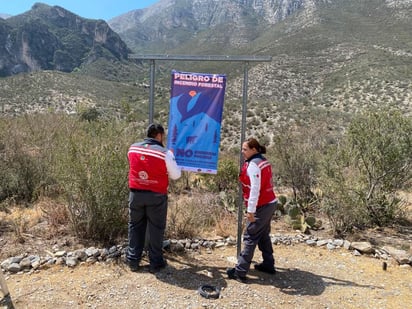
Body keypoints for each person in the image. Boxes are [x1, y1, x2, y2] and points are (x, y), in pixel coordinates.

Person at [126, 123, 181, 273]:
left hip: (135, 194)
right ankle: (155, 262)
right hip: (156, 195)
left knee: (135, 226)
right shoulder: (165, 153)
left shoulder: (132, 148)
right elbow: (176, 175)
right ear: (159, 135)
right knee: (156, 229)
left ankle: (132, 260)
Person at [227, 137, 278, 283]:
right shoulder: (263, 161)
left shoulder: (254, 165)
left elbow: (255, 189)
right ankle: (268, 264)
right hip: (270, 203)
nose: (242, 152)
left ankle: (240, 271)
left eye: (245, 149)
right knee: (262, 235)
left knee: (250, 235)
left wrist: (250, 211)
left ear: (253, 150)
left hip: (262, 205)